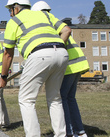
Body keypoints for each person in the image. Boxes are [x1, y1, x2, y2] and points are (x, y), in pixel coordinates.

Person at [0, 0, 72, 136]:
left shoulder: (14, 22)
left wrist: (3, 77)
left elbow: (8, 54)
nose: (10, 14)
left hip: (39, 55)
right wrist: (53, 48)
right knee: (55, 98)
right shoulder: (45, 15)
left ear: (16, 8)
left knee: (26, 99)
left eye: (10, 10)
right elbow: (66, 30)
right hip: (61, 53)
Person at [32, 1, 90, 137]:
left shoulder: (49, 25)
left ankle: (68, 132)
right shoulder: (56, 23)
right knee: (70, 98)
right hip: (78, 65)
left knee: (61, 99)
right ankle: (80, 132)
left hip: (69, 66)